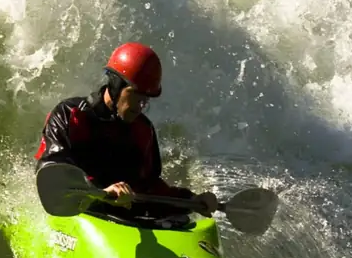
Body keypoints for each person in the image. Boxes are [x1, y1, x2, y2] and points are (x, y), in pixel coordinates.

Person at [33, 42, 219, 220]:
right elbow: (51, 174)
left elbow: (150, 188)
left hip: (122, 221)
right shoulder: (70, 115)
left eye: (146, 100)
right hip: (79, 214)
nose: (140, 106)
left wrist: (192, 200)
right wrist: (102, 193)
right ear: (116, 86)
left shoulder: (143, 130)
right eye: (136, 96)